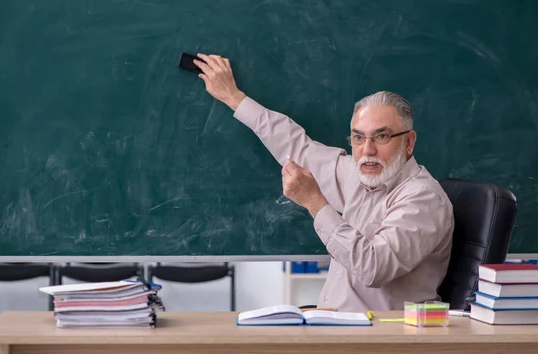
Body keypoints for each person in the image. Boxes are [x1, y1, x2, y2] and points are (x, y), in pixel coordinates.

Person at [193, 53, 454, 311]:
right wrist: (233, 97)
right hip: (337, 325)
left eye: (382, 136)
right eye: (358, 138)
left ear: (408, 142)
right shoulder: (362, 175)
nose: (368, 150)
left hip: (381, 339)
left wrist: (315, 203)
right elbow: (299, 149)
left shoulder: (422, 197)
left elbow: (374, 267)